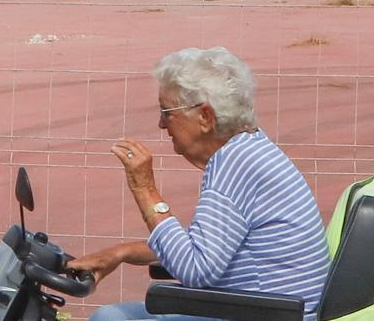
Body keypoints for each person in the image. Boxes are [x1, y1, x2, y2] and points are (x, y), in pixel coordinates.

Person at [69, 47, 330, 321]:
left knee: (109, 319)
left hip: (261, 312)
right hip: (256, 305)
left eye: (166, 112)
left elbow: (195, 270)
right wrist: (119, 253)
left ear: (205, 116)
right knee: (112, 315)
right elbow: (201, 248)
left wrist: (145, 188)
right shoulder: (246, 149)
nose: (161, 124)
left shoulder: (236, 166)